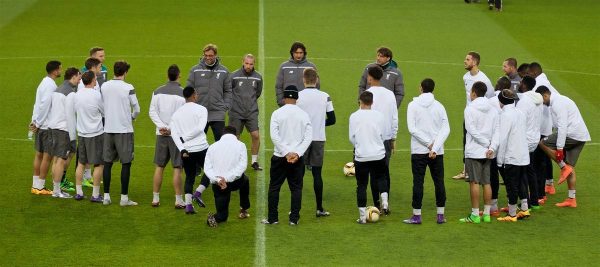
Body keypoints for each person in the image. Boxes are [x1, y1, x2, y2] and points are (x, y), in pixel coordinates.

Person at [262, 85, 312, 225]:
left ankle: (273, 218)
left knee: (274, 187)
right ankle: (294, 219)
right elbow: (308, 137)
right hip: (297, 158)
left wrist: (285, 153)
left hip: (279, 157)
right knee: (296, 188)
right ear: (297, 98)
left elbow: (274, 136)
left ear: (284, 98)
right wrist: (296, 153)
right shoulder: (304, 114)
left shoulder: (277, 113)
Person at [403, 78, 450, 225]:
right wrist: (435, 147)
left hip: (419, 150)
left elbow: (412, 129)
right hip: (437, 152)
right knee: (439, 182)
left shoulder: (412, 105)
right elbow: (446, 129)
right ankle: (440, 215)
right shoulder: (439, 106)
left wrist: (429, 144)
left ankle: (417, 215)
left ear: (420, 88)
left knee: (418, 182)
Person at [536, 86, 590, 208]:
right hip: (581, 136)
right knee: (570, 167)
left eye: (541, 100)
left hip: (572, 134)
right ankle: (572, 199)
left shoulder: (557, 104)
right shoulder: (560, 100)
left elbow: (563, 127)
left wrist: (559, 148)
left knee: (542, 143)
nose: (541, 103)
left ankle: (562, 167)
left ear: (545, 96)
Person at [297, 68, 336, 217]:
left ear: (303, 80)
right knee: (317, 174)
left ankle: (296, 209)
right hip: (318, 138)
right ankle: (319, 208)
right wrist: (319, 124)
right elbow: (332, 119)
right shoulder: (325, 96)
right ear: (317, 80)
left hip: (302, 140)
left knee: (298, 175)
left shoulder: (298, 96)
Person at [100, 61, 140, 206]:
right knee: (126, 163)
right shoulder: (128, 87)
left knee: (107, 163)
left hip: (108, 129)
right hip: (124, 130)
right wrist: (132, 118)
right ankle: (124, 198)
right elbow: (136, 108)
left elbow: (102, 104)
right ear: (125, 72)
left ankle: (106, 197)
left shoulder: (104, 86)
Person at [459, 82, 499, 224]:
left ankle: (475, 215)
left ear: (474, 93)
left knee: (474, 182)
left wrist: (485, 144)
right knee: (487, 183)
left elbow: (471, 130)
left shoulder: (469, 109)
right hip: (488, 152)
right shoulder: (494, 110)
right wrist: (491, 147)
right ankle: (487, 214)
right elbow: (497, 131)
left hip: (475, 151)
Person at [148, 65, 186, 208]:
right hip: (176, 135)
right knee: (177, 167)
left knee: (159, 166)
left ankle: (155, 198)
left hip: (161, 134)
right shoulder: (183, 94)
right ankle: (178, 200)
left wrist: (161, 127)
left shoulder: (157, 91)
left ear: (167, 75)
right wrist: (171, 129)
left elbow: (152, 112)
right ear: (179, 75)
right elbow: (183, 115)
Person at [453, 51, 495, 180]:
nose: (465, 61)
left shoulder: (484, 80)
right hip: (469, 114)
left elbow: (491, 97)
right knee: (466, 141)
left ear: (475, 62)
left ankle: (483, 169)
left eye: (467, 59)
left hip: (481, 116)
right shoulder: (466, 77)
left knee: (480, 139)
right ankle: (466, 170)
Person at [170, 87, 210, 214]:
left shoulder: (176, 114)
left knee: (189, 177)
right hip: (202, 147)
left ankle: (188, 206)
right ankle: (198, 192)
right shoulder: (202, 109)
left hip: (187, 150)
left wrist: (182, 148)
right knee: (210, 171)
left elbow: (174, 134)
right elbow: (200, 128)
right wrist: (185, 138)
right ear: (194, 95)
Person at [349, 91, 386, 224]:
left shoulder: (354, 116)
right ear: (372, 102)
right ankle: (385, 203)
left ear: (360, 101)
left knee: (361, 185)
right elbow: (384, 135)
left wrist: (360, 146)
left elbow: (351, 138)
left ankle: (362, 218)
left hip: (362, 156)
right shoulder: (380, 116)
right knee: (381, 177)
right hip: (379, 154)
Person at [365, 65, 397, 215]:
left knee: (373, 171)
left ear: (370, 77)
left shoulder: (367, 94)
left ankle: (376, 204)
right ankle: (386, 201)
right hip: (386, 137)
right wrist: (393, 136)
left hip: (371, 138)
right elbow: (394, 116)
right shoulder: (390, 94)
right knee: (384, 170)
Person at [204, 126, 251, 227]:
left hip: (218, 184)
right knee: (245, 180)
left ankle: (213, 218)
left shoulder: (212, 147)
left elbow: (207, 168)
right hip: (234, 182)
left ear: (223, 134)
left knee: (222, 216)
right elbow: (242, 166)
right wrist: (228, 178)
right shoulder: (241, 145)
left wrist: (218, 179)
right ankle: (244, 208)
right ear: (235, 135)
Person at [496, 89, 531, 222]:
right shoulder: (520, 113)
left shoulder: (505, 115)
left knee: (511, 185)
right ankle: (524, 208)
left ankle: (511, 214)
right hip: (523, 155)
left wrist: (500, 159)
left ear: (501, 101)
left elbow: (503, 138)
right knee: (522, 182)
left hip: (512, 156)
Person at [186, 43, 232, 142]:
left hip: (218, 112)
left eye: (210, 55)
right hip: (199, 112)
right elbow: (189, 89)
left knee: (221, 142)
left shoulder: (224, 71)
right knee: (197, 142)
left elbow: (228, 90)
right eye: (206, 55)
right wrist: (192, 107)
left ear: (215, 55)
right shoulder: (195, 70)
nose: (208, 58)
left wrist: (225, 106)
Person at [47, 67, 80, 198]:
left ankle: (56, 188)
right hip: (63, 130)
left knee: (56, 159)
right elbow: (71, 115)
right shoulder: (70, 93)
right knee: (61, 160)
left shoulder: (57, 89)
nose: (80, 79)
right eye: (79, 76)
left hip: (53, 127)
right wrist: (73, 136)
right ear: (73, 76)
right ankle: (56, 191)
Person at [30, 60, 61, 195]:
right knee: (47, 157)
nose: (61, 70)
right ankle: (40, 186)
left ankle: (35, 185)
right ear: (55, 71)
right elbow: (45, 105)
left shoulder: (43, 82)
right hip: (47, 126)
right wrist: (38, 123)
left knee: (38, 155)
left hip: (40, 123)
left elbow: (37, 104)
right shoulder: (50, 86)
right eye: (60, 69)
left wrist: (34, 121)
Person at [72, 71, 105, 203]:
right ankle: (95, 195)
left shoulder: (77, 94)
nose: (96, 80)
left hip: (82, 133)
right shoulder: (96, 95)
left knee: (81, 163)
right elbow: (104, 111)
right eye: (95, 78)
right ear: (92, 80)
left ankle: (79, 192)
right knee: (98, 164)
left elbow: (75, 110)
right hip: (95, 133)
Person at [229, 54, 264, 170]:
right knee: (235, 138)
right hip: (236, 112)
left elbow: (257, 93)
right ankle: (234, 161)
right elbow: (229, 91)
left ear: (254, 64)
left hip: (251, 112)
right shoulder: (234, 76)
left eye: (251, 64)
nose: (248, 66)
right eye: (247, 63)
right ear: (242, 62)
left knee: (255, 135)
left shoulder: (258, 77)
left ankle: (254, 161)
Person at [529, 62, 559, 194]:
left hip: (543, 125)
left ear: (534, 73)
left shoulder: (539, 84)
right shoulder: (544, 81)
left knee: (542, 156)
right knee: (545, 155)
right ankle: (549, 183)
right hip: (547, 123)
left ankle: (545, 186)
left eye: (529, 73)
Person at [516, 76, 544, 209]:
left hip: (524, 139)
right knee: (530, 169)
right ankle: (535, 200)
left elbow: (519, 121)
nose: (519, 84)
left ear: (524, 85)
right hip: (535, 138)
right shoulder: (538, 100)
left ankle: (525, 202)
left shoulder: (523, 101)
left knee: (522, 172)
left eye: (521, 82)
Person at [275, 41, 318, 107]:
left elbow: (316, 85)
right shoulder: (284, 67)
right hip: (288, 104)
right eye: (296, 53)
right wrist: (281, 101)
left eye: (301, 53)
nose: (298, 55)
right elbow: (278, 86)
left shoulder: (311, 67)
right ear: (292, 53)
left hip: (306, 104)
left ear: (304, 53)